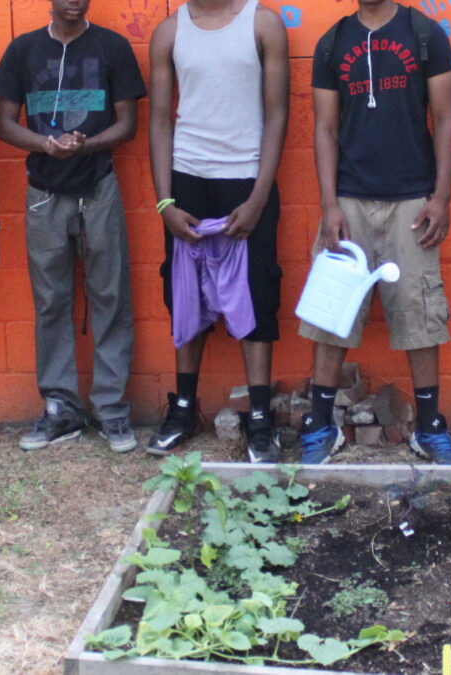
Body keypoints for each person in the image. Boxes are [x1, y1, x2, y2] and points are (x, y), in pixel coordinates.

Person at [298, 0, 451, 465]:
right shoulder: (332, 43)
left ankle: (430, 428)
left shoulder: (425, 33)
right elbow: (325, 129)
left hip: (413, 198)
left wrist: (441, 197)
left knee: (419, 310)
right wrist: (328, 204)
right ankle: (319, 425)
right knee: (331, 315)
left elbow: (446, 117)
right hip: (349, 198)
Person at [0, 0, 147, 454]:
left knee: (110, 296)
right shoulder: (22, 50)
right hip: (43, 192)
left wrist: (85, 146)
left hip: (97, 186)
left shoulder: (113, 47)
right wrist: (45, 144)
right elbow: (4, 125)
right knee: (51, 301)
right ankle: (60, 408)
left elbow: (129, 123)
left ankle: (112, 409)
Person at [147, 0, 290, 463]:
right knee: (185, 292)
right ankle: (184, 409)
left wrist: (259, 197)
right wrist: (165, 201)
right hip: (187, 179)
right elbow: (159, 120)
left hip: (247, 178)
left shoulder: (263, 23)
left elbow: (277, 115)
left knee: (257, 292)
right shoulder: (169, 33)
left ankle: (261, 419)